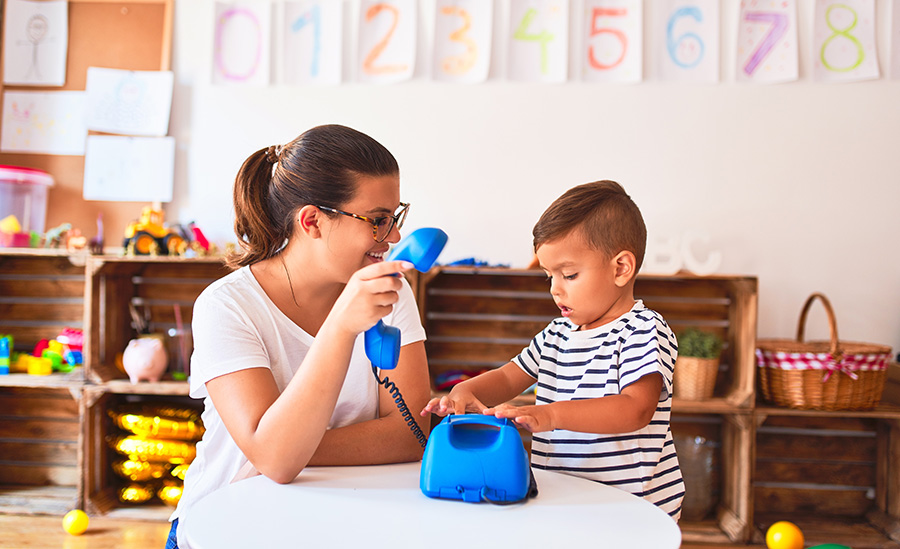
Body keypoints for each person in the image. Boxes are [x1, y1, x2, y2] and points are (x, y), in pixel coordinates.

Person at [167, 125, 431, 548]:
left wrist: (288, 445)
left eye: (395, 217)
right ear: (312, 221)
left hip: (344, 522)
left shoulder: (387, 294)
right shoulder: (227, 306)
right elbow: (275, 460)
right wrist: (342, 326)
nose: (394, 237)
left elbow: (410, 433)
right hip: (228, 527)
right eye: (379, 220)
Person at [421, 180, 684, 520]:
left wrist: (551, 415)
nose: (555, 290)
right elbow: (507, 376)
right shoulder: (557, 334)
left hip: (632, 509)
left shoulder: (644, 330)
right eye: (549, 277)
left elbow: (635, 409)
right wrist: (465, 390)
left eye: (569, 275)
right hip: (566, 501)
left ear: (621, 268)